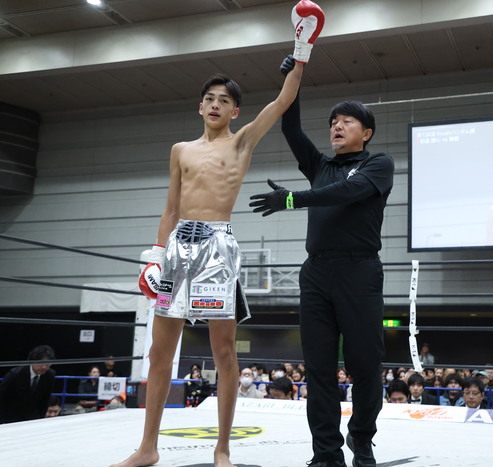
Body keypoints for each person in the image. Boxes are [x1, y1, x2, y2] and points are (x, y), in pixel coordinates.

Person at [110, 4, 322, 466]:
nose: (214, 105)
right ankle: (147, 448)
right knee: (160, 352)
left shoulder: (241, 142)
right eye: (209, 98)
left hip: (217, 247)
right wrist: (155, 257)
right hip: (176, 247)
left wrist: (301, 51)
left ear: (234, 110)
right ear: (199, 105)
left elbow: (282, 101)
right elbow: (170, 207)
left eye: (224, 100)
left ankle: (222, 448)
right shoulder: (180, 150)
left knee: (224, 351)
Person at [249, 57, 393, 467]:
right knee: (318, 368)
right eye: (333, 122)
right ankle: (326, 454)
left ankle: (361, 441)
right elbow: (291, 128)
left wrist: (291, 199)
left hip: (359, 271)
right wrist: (292, 77)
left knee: (365, 366)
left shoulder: (377, 164)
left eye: (347, 121)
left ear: (366, 133)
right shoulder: (320, 166)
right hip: (316, 273)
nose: (336, 126)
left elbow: (348, 193)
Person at [0, 344, 56, 423]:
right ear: (32, 360)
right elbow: (2, 397)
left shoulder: (50, 375)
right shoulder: (15, 374)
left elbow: (45, 400)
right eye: (41, 363)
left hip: (33, 418)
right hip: (11, 418)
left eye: (48, 364)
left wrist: (40, 419)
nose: (44, 367)